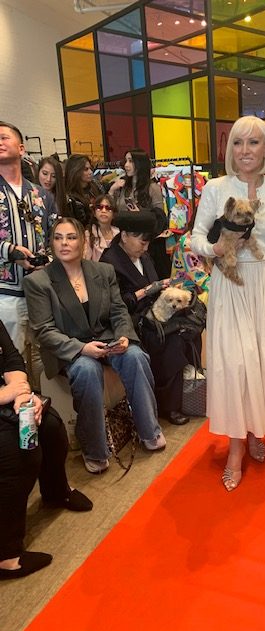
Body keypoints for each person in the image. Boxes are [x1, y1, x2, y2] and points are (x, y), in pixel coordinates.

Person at [191, 115, 265, 491]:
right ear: (229, 149)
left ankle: (257, 429)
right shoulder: (214, 188)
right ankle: (235, 449)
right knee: (236, 364)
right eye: (238, 143)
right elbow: (195, 238)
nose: (245, 151)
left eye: (253, 143)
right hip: (231, 283)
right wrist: (215, 248)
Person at [23, 218, 167, 474]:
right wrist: (81, 349)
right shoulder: (39, 282)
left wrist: (124, 335)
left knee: (135, 355)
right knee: (86, 370)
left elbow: (119, 311)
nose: (64, 243)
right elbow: (44, 331)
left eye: (71, 237)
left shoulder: (102, 271)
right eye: (58, 238)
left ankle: (150, 431)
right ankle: (95, 451)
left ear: (83, 241)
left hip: (106, 338)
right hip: (70, 348)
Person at [0, 320, 92, 580]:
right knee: (14, 452)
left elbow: (11, 358)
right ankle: (7, 557)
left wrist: (21, 395)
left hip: (7, 396)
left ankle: (55, 491)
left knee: (49, 424)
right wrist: (5, 395)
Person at [101, 210, 191, 426]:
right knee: (171, 340)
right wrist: (147, 291)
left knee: (187, 327)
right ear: (124, 236)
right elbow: (114, 304)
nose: (145, 247)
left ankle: (174, 398)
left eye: (147, 242)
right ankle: (169, 405)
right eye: (141, 242)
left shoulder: (144, 256)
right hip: (129, 321)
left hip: (154, 314)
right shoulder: (109, 262)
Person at [0, 121, 56, 357]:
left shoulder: (41, 193)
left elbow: (56, 234)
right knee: (13, 360)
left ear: (22, 149)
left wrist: (48, 259)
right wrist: (10, 250)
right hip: (6, 293)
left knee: (47, 360)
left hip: (41, 289)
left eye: (4, 137)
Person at [109, 148, 170, 278]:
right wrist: (111, 190)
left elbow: (160, 218)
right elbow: (110, 211)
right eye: (125, 161)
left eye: (130, 161)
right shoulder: (122, 186)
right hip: (124, 240)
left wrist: (141, 215)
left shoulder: (152, 188)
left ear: (140, 163)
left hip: (145, 242)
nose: (126, 165)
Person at [64, 154, 103, 228]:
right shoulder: (70, 197)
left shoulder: (95, 186)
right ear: (76, 171)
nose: (91, 172)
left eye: (90, 168)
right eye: (86, 169)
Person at [84, 194, 120, 261]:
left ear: (114, 214)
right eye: (99, 207)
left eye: (108, 208)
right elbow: (86, 261)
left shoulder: (119, 233)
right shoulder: (88, 234)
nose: (103, 211)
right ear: (94, 213)